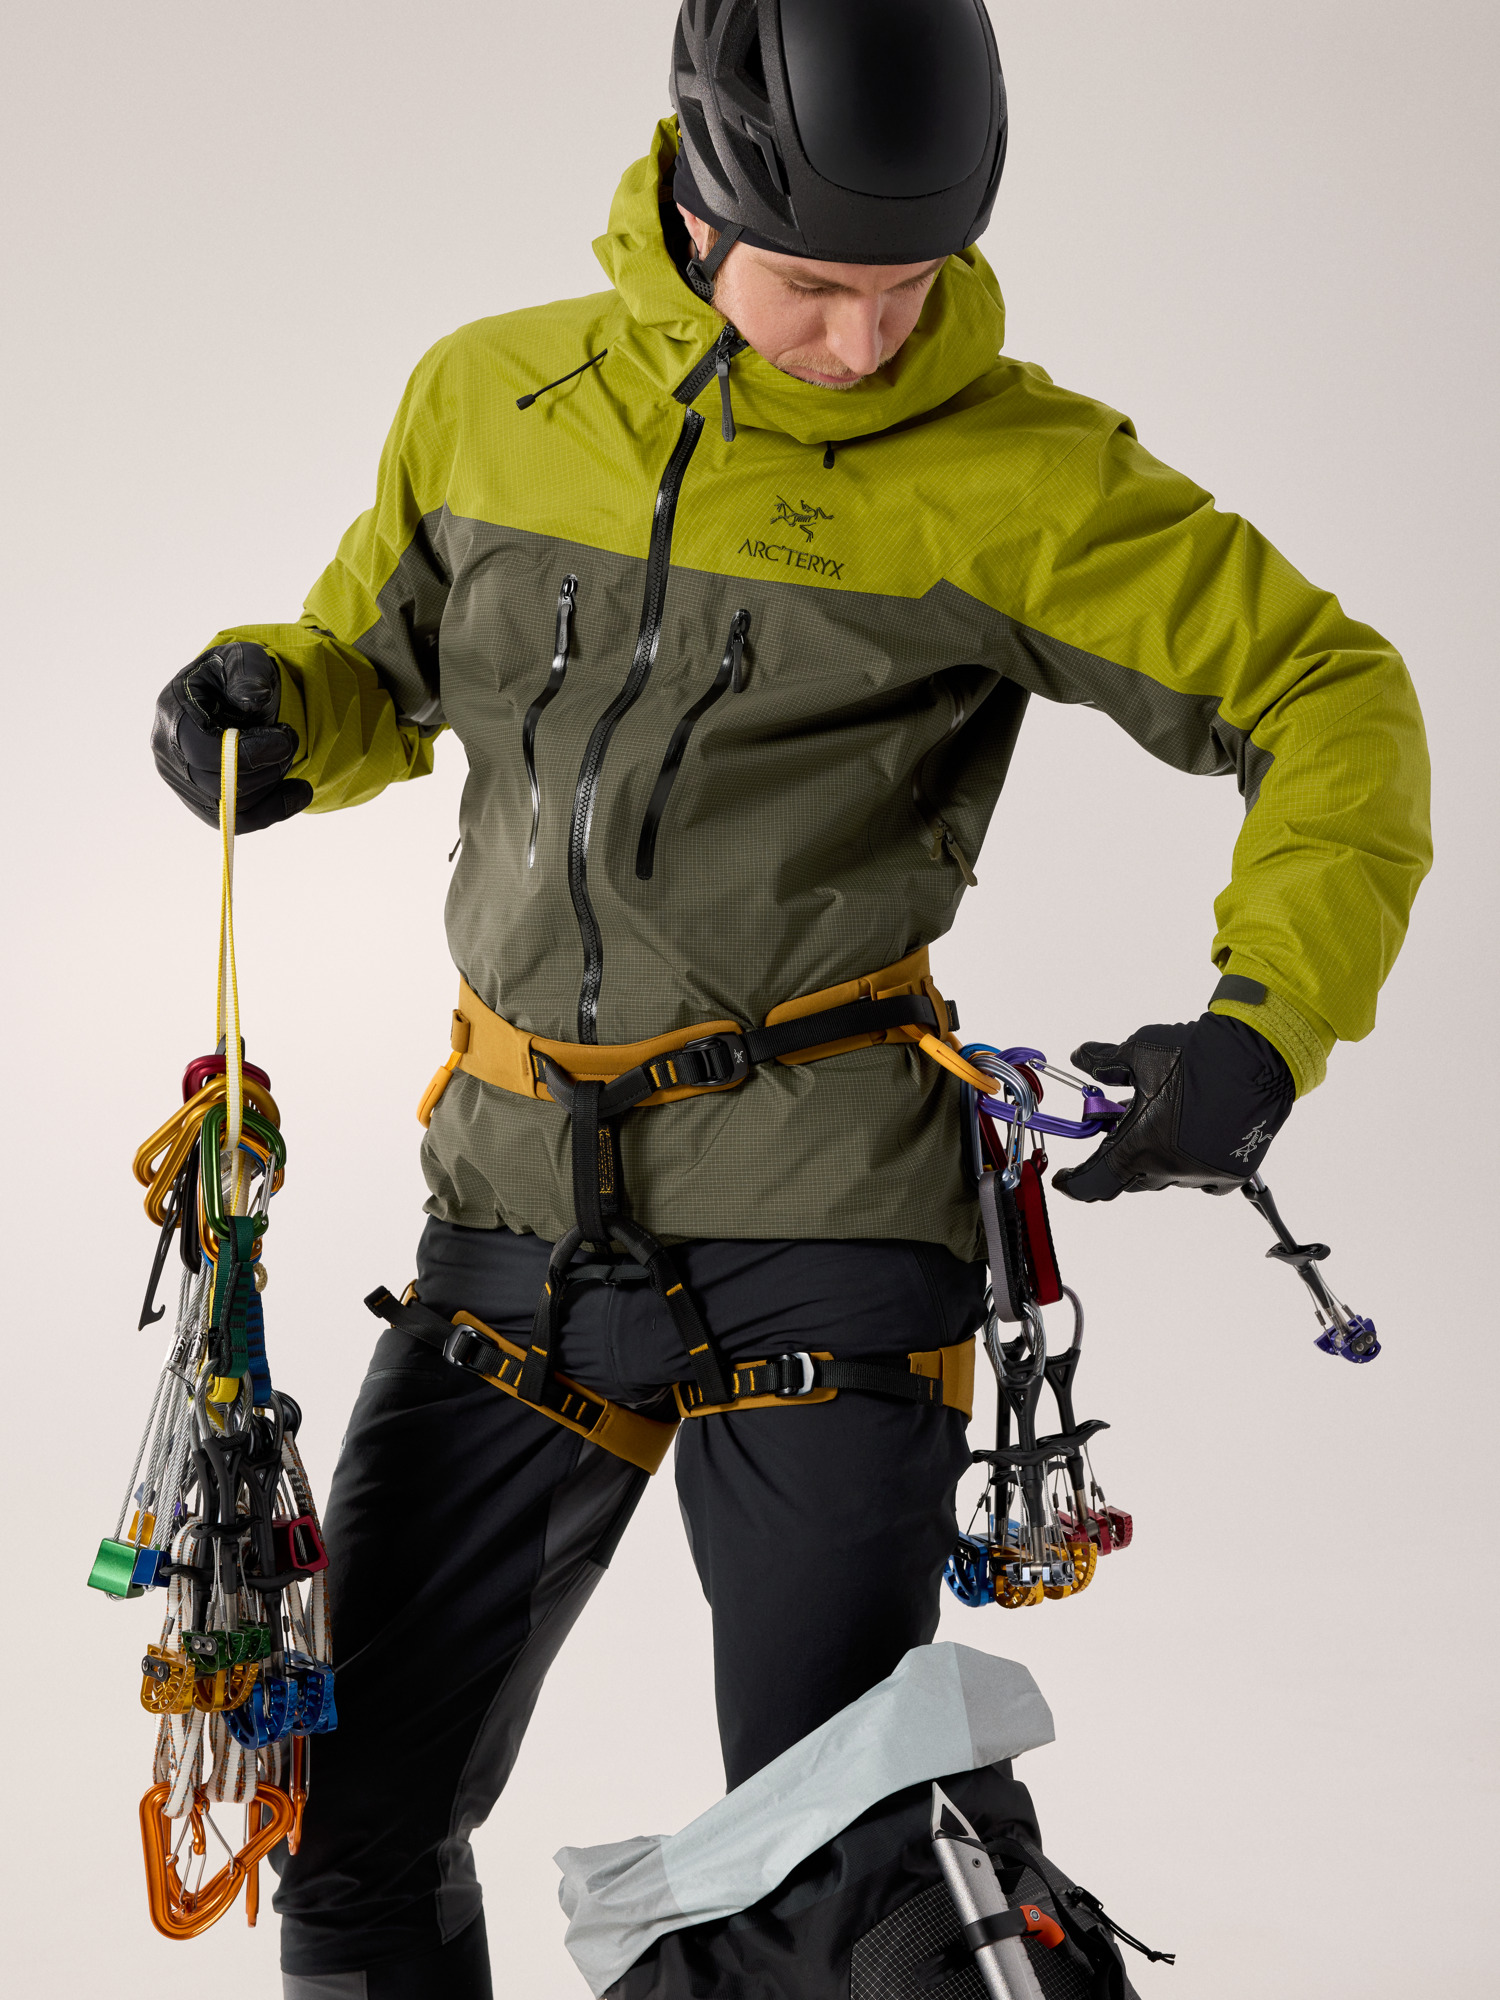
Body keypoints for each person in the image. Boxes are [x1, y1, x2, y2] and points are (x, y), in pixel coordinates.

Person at [150, 4, 1431, 1995]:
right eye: (815, 287)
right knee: (350, 1814)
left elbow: (1330, 689)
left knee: (834, 1853)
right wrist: (270, 708)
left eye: (909, 287)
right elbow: (374, 669)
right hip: (515, 1203)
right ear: (693, 201)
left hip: (826, 1215)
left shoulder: (1020, 476)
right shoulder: (487, 398)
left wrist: (1265, 1022)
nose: (865, 340)